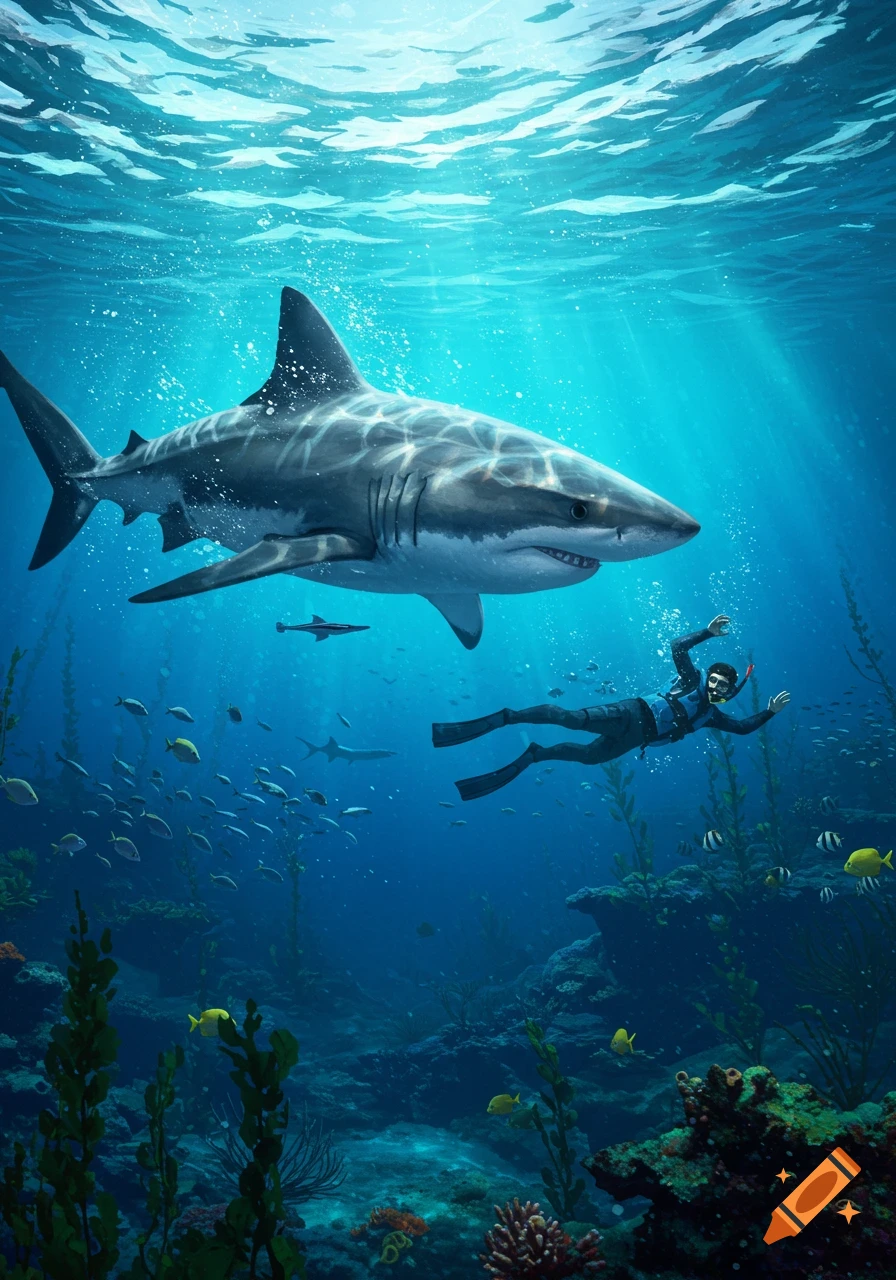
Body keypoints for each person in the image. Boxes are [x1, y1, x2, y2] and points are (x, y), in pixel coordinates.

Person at [433, 615, 790, 801]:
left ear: (729, 691)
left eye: (721, 686)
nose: (713, 687)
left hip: (639, 738)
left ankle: (535, 754)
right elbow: (677, 647)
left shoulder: (713, 717)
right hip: (631, 713)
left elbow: (743, 728)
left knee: (589, 758)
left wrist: (769, 712)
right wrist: (706, 633)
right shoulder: (689, 679)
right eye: (712, 680)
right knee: (572, 720)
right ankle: (509, 717)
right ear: (707, 676)